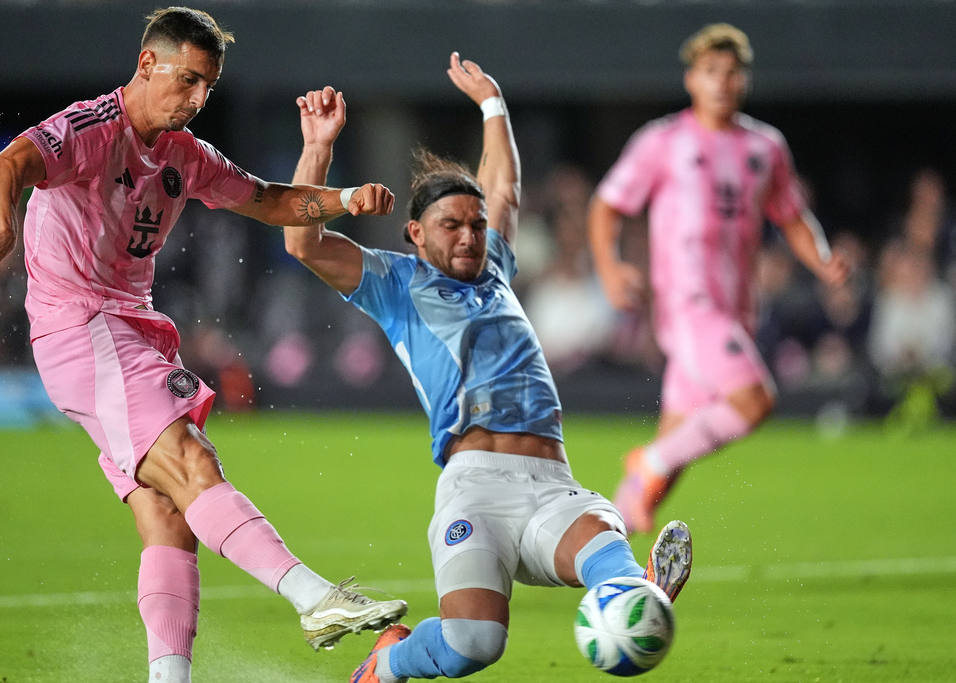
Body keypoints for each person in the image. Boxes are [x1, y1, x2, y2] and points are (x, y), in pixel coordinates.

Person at [0, 7, 406, 682]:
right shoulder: (91, 128)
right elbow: (6, 167)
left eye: (208, 87)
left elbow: (267, 200)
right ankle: (314, 599)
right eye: (187, 79)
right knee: (193, 461)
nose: (196, 98)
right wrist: (3, 229)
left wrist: (344, 198)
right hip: (85, 329)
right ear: (147, 64)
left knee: (168, 514)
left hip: (131, 330)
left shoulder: (184, 155)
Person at [283, 53, 693, 683]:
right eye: (451, 226)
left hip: (551, 482)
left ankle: (633, 594)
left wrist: (493, 105)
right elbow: (301, 241)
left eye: (476, 226)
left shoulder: (495, 268)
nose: (470, 236)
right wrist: (318, 149)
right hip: (474, 486)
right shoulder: (396, 282)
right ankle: (390, 661)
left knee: (603, 538)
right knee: (472, 646)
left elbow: (502, 189)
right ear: (416, 232)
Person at [586, 23, 850, 535]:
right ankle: (648, 461)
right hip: (687, 304)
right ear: (691, 79)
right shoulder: (663, 141)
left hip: (735, 307)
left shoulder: (765, 147)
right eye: (711, 71)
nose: (723, 82)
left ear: (745, 80)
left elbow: (791, 215)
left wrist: (821, 260)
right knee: (753, 400)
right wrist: (610, 267)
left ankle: (604, 548)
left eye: (732, 72)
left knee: (668, 457)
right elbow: (606, 205)